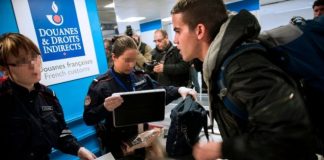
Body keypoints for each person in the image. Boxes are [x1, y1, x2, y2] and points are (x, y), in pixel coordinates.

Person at [171, 0, 317, 159]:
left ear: (199, 30)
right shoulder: (219, 66)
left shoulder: (242, 68)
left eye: (178, 31)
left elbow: (289, 136)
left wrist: (221, 149)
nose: (175, 40)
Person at [83, 35, 196, 159]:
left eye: (134, 59)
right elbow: (88, 118)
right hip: (117, 147)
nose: (132, 65)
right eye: (127, 60)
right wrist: (105, 108)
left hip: (142, 140)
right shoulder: (101, 85)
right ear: (114, 57)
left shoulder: (140, 77)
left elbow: (160, 92)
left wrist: (179, 89)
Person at [0, 33, 96, 160]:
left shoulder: (48, 96)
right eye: (22, 61)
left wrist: (78, 149)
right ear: (5, 69)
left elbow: (61, 131)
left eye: (34, 56)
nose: (33, 65)